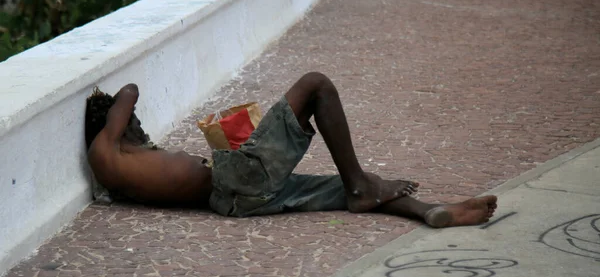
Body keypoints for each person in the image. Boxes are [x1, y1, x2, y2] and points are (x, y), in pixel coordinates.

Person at [86, 72, 497, 228]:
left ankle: (429, 211)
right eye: (133, 125)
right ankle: (359, 186)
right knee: (316, 85)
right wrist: (111, 109)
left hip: (234, 199)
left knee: (337, 189)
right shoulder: (106, 152)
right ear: (112, 125)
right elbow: (130, 92)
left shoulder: (123, 168)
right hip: (236, 181)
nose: (140, 129)